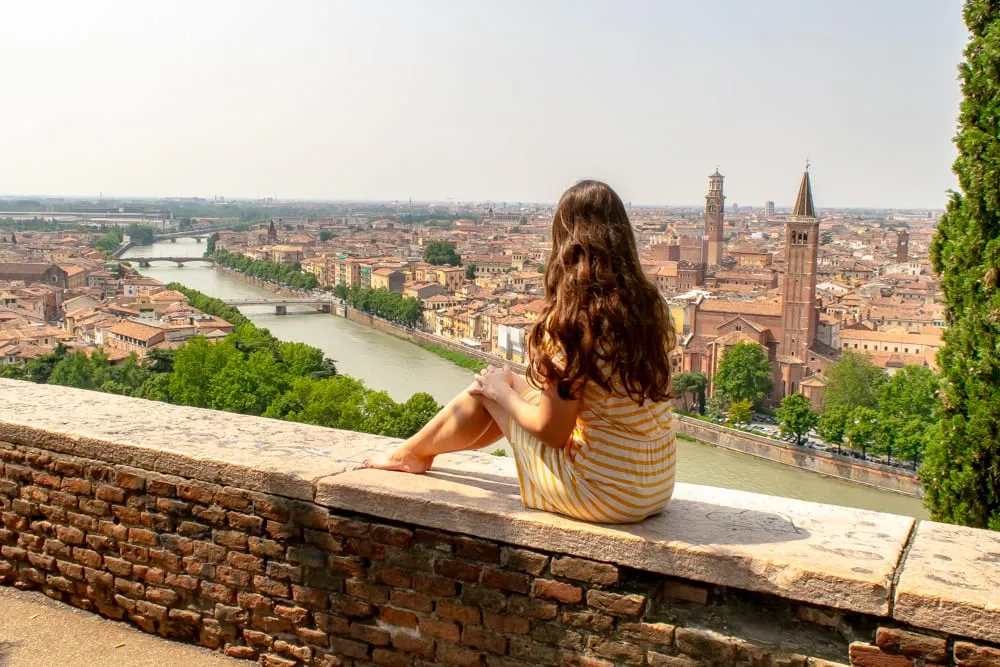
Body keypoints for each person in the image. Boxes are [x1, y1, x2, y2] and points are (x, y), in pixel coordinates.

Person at [365, 180, 677, 524]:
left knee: (489, 389)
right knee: (508, 380)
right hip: (656, 486)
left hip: (605, 495)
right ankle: (416, 451)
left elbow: (552, 433)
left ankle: (410, 454)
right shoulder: (654, 307)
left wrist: (498, 391)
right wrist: (507, 385)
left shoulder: (572, 322)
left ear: (564, 241)